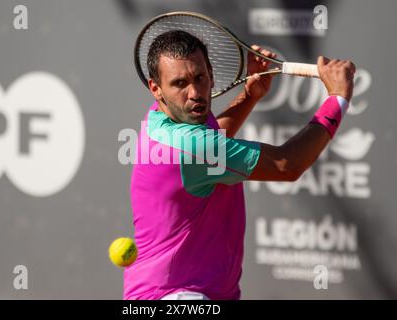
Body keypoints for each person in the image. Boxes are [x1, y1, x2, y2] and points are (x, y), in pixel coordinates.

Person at [124, 30, 355, 300]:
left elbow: (210, 143)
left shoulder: (161, 119)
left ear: (210, 71)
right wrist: (338, 97)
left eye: (200, 77)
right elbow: (288, 164)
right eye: (180, 83)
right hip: (177, 297)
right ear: (156, 88)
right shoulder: (192, 146)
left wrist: (250, 96)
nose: (195, 92)